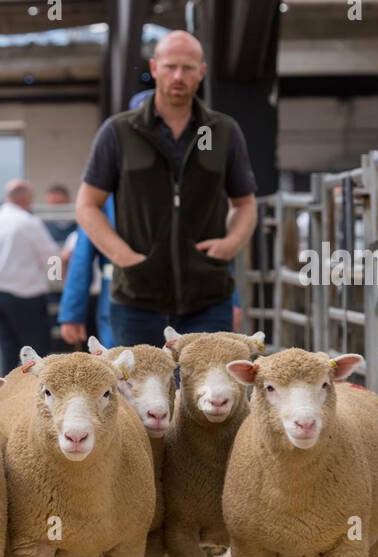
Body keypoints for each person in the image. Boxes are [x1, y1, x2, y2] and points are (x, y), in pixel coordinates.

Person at [76, 30, 257, 347]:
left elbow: (245, 203)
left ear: (201, 72)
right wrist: (124, 256)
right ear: (155, 67)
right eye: (171, 66)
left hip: (208, 299)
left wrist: (231, 244)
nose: (178, 76)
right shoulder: (119, 131)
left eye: (188, 68)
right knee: (138, 394)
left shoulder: (223, 132)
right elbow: (87, 205)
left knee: (208, 395)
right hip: (135, 300)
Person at [0, 179, 60, 373]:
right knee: (36, 355)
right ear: (27, 198)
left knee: (7, 354)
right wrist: (57, 281)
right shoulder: (28, 222)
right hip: (27, 297)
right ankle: (32, 401)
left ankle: (8, 400)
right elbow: (52, 255)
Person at [58, 194, 116, 349]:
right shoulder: (74, 237)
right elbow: (61, 261)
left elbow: (69, 260)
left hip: (100, 292)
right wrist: (59, 277)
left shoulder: (75, 236)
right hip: (94, 293)